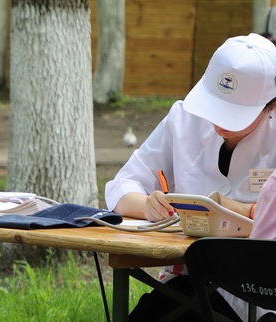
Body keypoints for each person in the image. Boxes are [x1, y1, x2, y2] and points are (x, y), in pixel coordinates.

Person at [106, 33, 276, 322]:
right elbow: (122, 185)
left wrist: (245, 211)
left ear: (271, 106)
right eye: (216, 107)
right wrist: (148, 205)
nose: (220, 122)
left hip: (259, 290)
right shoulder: (184, 119)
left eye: (235, 115)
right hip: (187, 280)